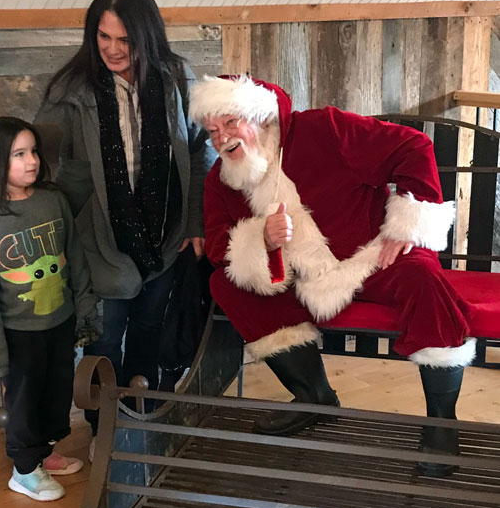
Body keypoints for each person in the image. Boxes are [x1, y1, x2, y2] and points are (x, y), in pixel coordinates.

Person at [190, 75, 477, 477]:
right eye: (212, 131)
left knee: (424, 281)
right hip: (302, 279)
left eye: (230, 123)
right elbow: (221, 245)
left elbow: (414, 146)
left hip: (373, 256)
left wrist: (407, 227)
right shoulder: (220, 180)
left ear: (256, 114)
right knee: (225, 284)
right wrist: (261, 240)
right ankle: (315, 397)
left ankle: (442, 422)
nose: (222, 138)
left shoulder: (323, 128)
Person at [35, 0, 214, 455]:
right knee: (104, 339)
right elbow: (58, 177)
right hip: (101, 240)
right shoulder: (70, 93)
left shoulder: (176, 77)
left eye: (125, 40)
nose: (113, 50)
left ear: (147, 36)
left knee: (151, 330)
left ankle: (139, 419)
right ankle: (102, 430)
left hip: (166, 235)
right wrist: (61, 239)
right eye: (103, 37)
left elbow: (200, 153)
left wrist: (195, 221)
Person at [0, 117, 100, 501]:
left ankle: (45, 452)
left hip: (59, 321)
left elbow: (74, 254)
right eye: (19, 154)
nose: (32, 161)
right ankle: (24, 470)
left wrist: (85, 307)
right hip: (17, 332)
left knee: (55, 392)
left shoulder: (52, 200)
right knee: (24, 402)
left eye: (34, 151)